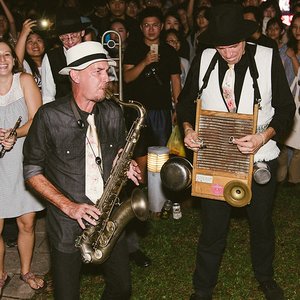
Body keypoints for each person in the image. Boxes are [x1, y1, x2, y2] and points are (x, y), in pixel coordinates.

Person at [176, 3, 295, 300]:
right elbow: (186, 102)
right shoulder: (204, 58)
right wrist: (189, 129)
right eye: (221, 47)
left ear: (245, 38)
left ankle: (265, 277)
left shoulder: (267, 58)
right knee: (213, 227)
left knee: (261, 223)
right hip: (215, 159)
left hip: (259, 159)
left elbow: (286, 108)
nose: (228, 53)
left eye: (234, 46)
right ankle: (202, 288)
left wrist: (262, 137)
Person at [23, 41, 142, 300]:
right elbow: (32, 171)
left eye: (107, 71)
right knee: (66, 295)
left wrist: (126, 163)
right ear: (75, 75)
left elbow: (118, 152)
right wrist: (69, 206)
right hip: (68, 223)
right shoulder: (49, 117)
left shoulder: (112, 111)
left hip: (109, 216)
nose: (106, 78)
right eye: (97, 71)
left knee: (122, 288)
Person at [0, 39, 45, 297]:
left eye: (7, 54)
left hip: (22, 158)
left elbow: (37, 118)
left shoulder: (25, 80)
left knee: (26, 223)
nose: (3, 59)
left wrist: (15, 133)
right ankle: (0, 273)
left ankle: (26, 270)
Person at [123, 7, 181, 184]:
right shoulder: (133, 48)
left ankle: (161, 194)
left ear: (161, 26)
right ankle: (140, 193)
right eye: (147, 25)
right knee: (139, 153)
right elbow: (127, 77)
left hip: (161, 109)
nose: (151, 29)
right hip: (137, 110)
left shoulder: (169, 51)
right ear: (141, 27)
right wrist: (145, 61)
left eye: (155, 25)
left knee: (161, 154)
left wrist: (178, 109)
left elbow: (176, 82)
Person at [41, 7, 86, 103]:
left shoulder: (95, 51)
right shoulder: (51, 58)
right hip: (63, 115)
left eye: (73, 35)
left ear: (82, 32)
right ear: (59, 37)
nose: (70, 41)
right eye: (64, 37)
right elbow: (48, 97)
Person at [15, 19, 47, 91]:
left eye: (38, 40)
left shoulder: (51, 61)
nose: (35, 44)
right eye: (30, 41)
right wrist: (23, 33)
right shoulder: (25, 65)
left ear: (44, 44)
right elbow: (17, 60)